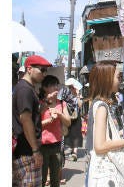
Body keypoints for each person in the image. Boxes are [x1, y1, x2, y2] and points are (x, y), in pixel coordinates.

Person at [87, 62, 124, 187]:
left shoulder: (99, 104)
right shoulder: (102, 107)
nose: (120, 80)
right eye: (118, 77)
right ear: (107, 79)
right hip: (105, 175)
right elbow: (100, 146)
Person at [13, 55, 53, 187]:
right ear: (29, 69)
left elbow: (32, 116)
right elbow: (25, 119)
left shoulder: (28, 89)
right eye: (42, 70)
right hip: (27, 151)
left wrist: (45, 103)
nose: (44, 74)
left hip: (27, 149)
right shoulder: (25, 90)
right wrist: (35, 150)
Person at [39, 75, 70, 187]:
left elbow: (68, 122)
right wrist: (49, 120)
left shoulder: (61, 103)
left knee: (55, 179)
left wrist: (60, 114)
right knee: (41, 179)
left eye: (57, 85)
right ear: (45, 87)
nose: (56, 88)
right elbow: (34, 125)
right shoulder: (40, 103)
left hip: (56, 145)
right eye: (53, 85)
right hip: (41, 146)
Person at [62, 79, 83, 162]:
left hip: (76, 117)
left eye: (71, 87)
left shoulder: (78, 95)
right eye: (69, 87)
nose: (70, 89)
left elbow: (80, 105)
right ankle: (68, 150)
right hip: (67, 117)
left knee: (76, 135)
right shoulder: (65, 95)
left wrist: (77, 95)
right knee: (67, 134)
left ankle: (74, 153)